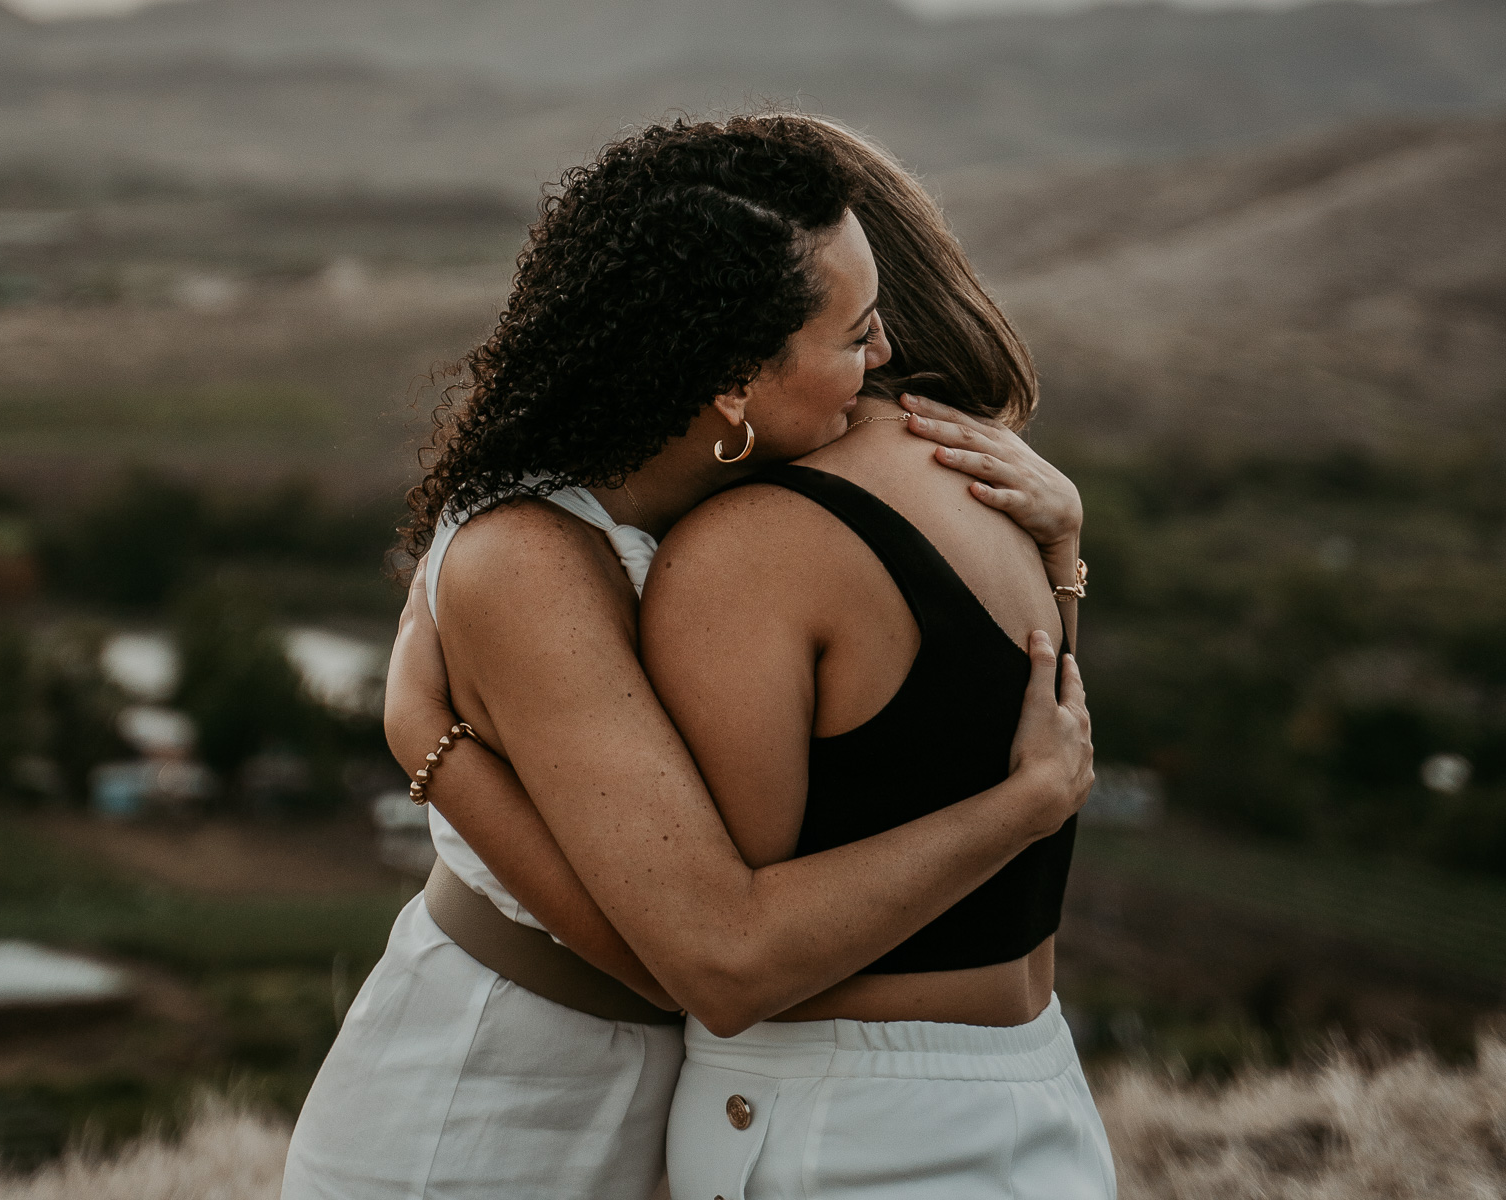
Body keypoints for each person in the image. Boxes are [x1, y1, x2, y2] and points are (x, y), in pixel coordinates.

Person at [280, 114, 1093, 1200]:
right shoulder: (532, 556)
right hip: (482, 1109)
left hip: (644, 1098)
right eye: (855, 337)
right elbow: (696, 964)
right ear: (732, 380)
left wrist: (1066, 545)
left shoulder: (721, 499)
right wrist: (429, 745)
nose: (887, 360)